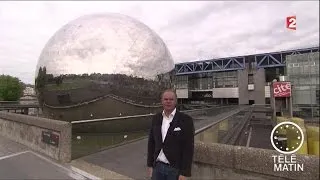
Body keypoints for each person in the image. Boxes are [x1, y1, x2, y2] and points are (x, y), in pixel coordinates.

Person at [147, 89, 195, 180]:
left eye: (171, 99)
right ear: (162, 101)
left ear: (175, 101)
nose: (168, 101)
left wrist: (184, 172)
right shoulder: (156, 118)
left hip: (175, 169)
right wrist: (150, 165)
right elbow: (151, 143)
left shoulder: (186, 120)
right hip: (157, 167)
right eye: (165, 99)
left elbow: (188, 148)